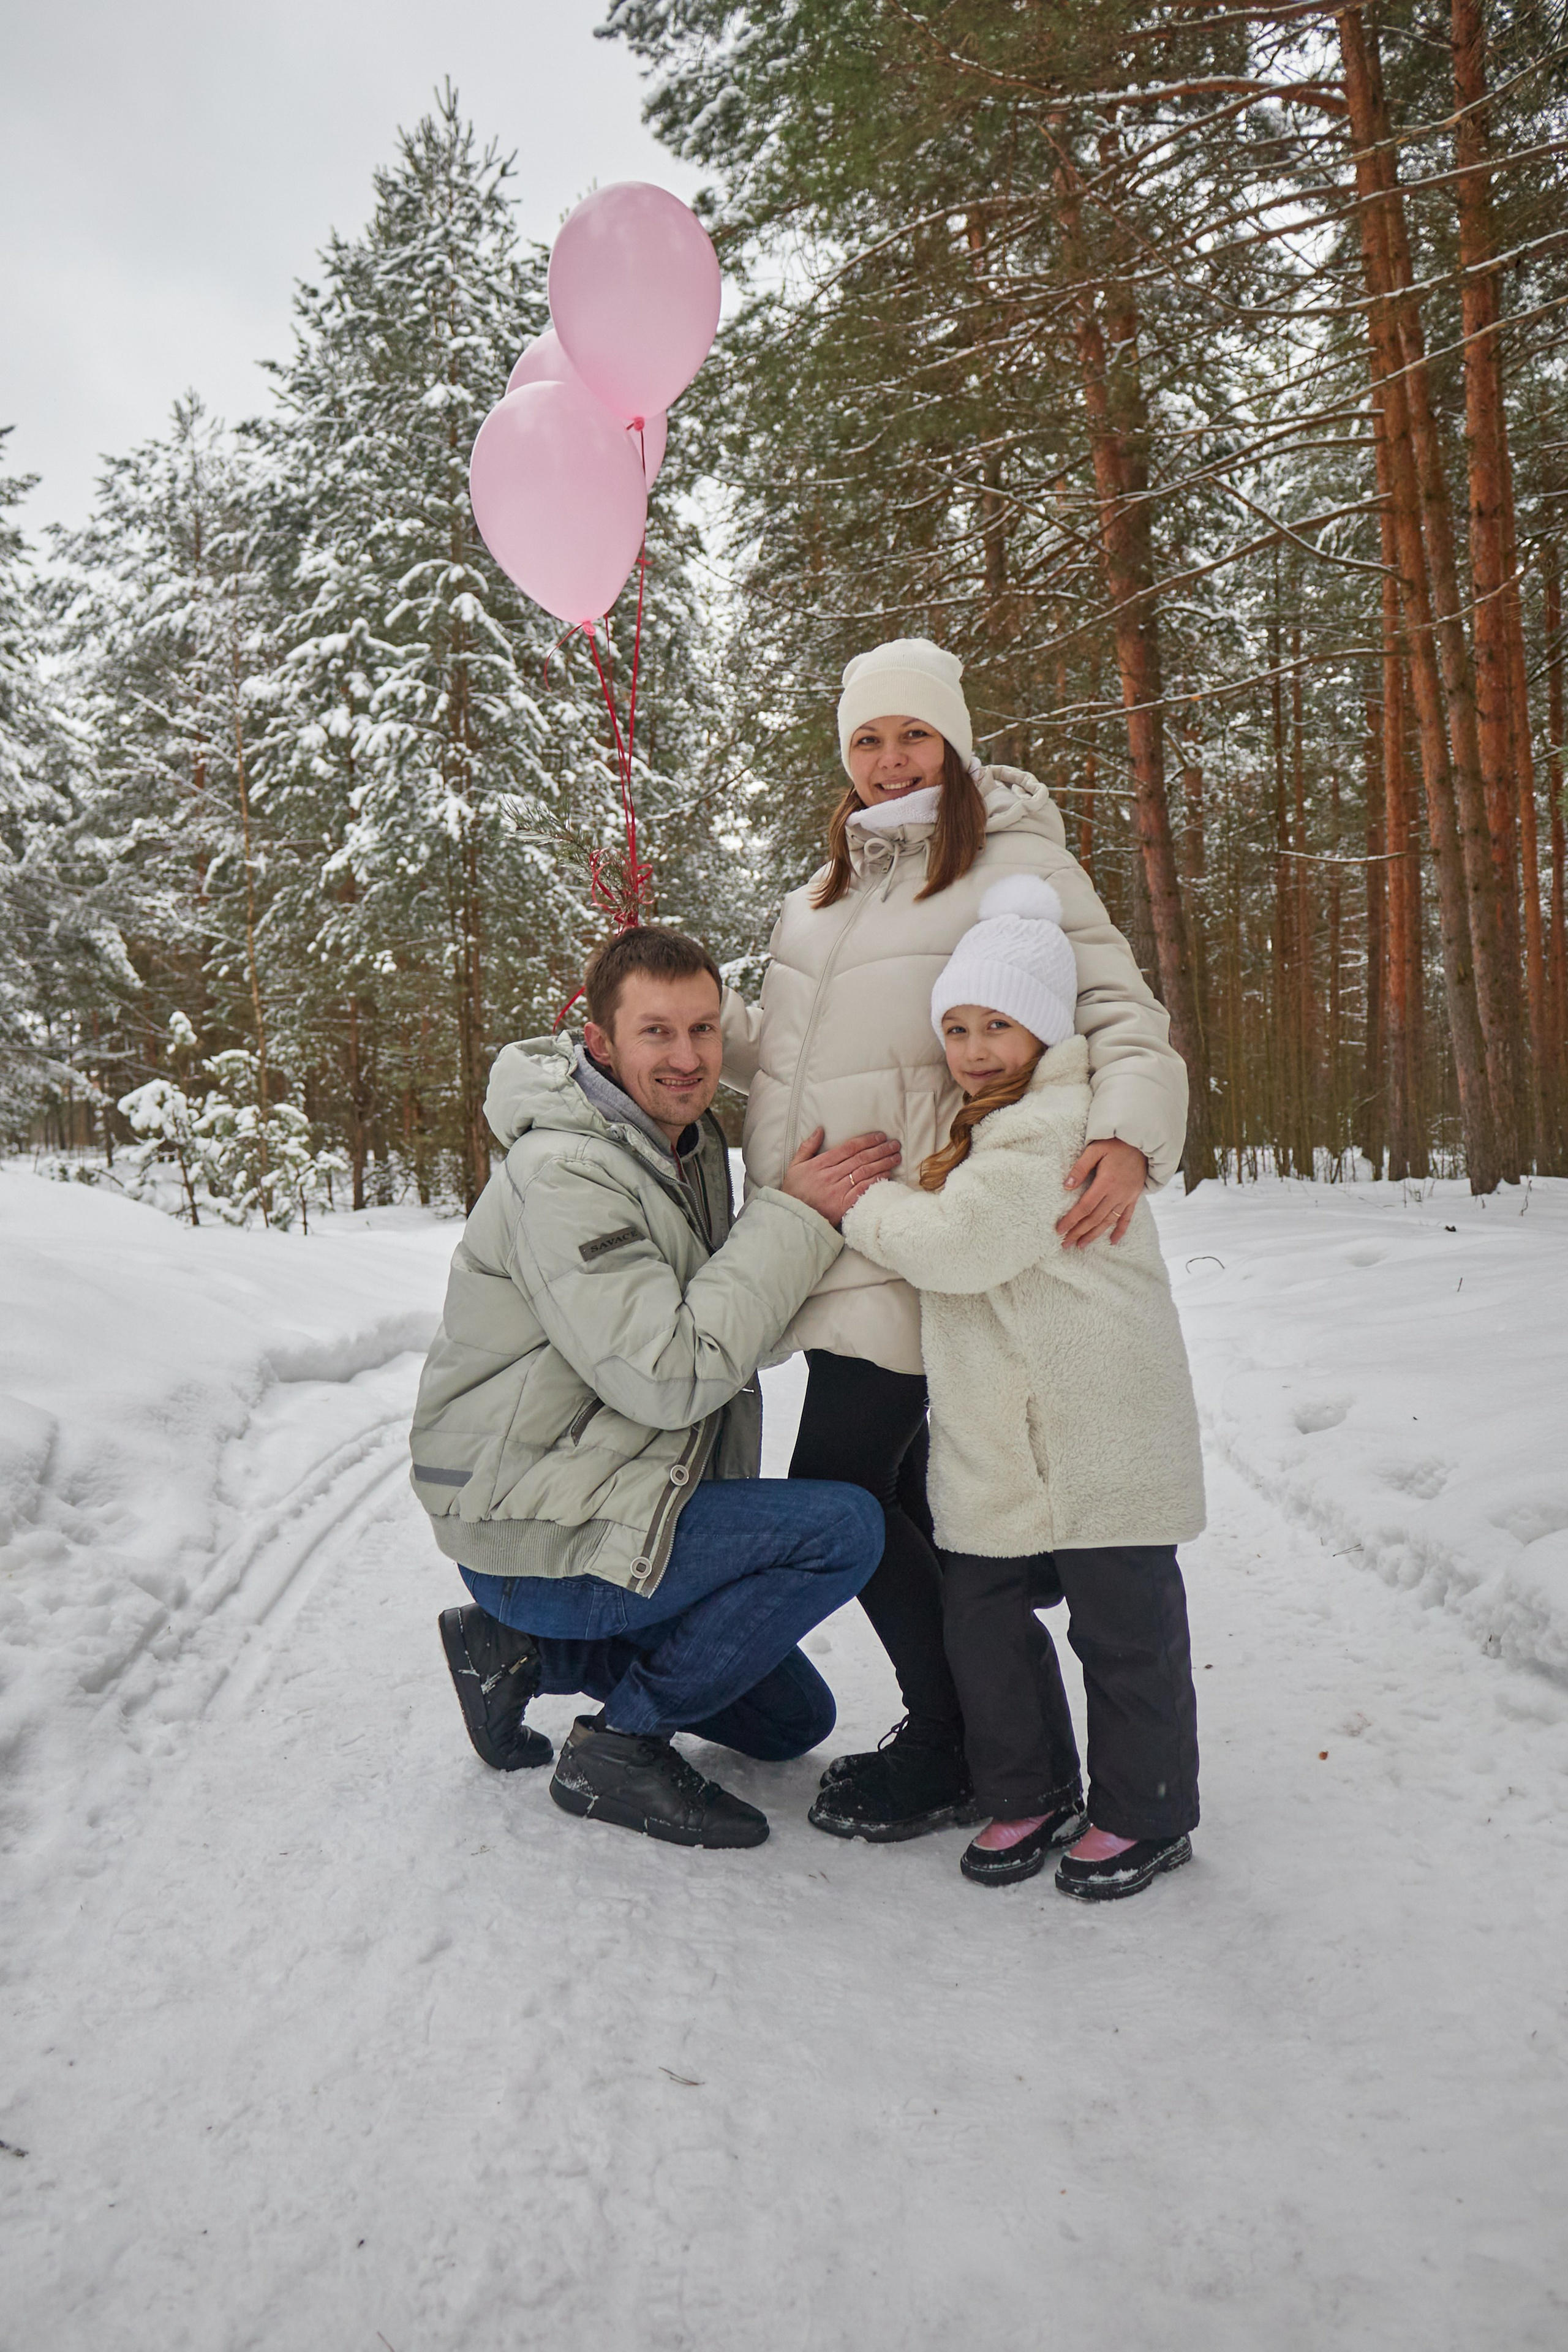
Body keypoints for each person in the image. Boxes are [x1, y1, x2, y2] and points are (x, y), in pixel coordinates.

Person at [720, 637, 1190, 1840]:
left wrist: (1132, 1133)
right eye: (866, 739)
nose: (887, 761)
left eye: (912, 734)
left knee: (838, 1489)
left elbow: (1116, 1011)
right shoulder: (818, 895)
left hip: (921, 1218)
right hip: (824, 1232)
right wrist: (681, 1022)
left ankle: (952, 1743)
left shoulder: (1008, 862)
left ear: (954, 742)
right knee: (912, 1503)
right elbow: (793, 1052)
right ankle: (996, 1746)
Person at [409, 924, 899, 1852]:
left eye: (705, 1030)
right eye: (656, 1033)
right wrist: (794, 1217)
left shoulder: (679, 1144)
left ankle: (519, 1650)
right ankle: (616, 1748)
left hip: (605, 1505)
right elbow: (668, 1376)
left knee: (789, 1723)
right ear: (599, 1041)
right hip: (538, 1529)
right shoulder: (566, 1172)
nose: (686, 1058)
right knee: (844, 1530)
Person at [838, 876, 1205, 1898]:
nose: (973, 1047)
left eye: (998, 1024)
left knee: (1123, 1627)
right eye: (956, 1026)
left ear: (1044, 1028)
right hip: (1007, 1435)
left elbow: (958, 1245)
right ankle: (1030, 1787)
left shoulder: (1057, 1124)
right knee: (982, 1612)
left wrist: (858, 1206)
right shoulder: (982, 1122)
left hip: (1101, 1424)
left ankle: (1149, 1811)